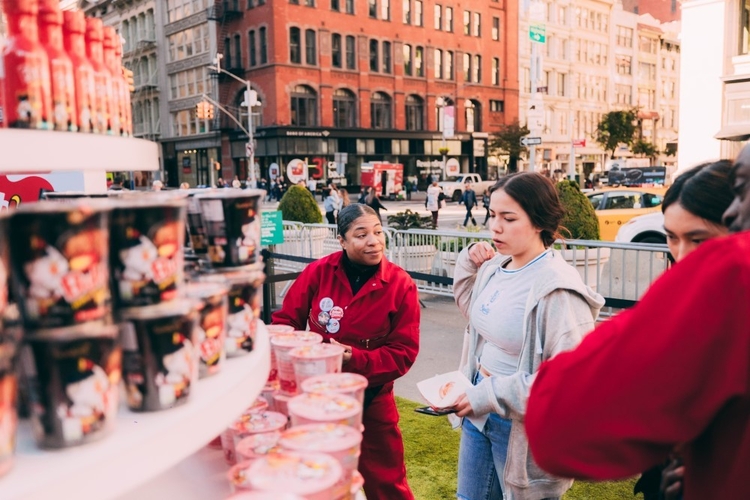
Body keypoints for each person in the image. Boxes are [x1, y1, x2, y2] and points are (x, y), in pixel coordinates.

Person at [524, 148, 750, 500]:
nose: (683, 254)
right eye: (672, 238)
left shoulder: (729, 282)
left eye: (700, 240)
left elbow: (561, 424)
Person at [450, 172, 605, 500]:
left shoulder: (557, 288)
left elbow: (569, 382)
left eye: (508, 218)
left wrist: (491, 394)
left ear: (539, 222)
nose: (495, 227)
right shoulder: (496, 265)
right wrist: (467, 264)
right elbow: (480, 319)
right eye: (492, 215)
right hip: (479, 410)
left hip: (521, 427)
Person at [272, 203, 420, 500]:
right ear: (341, 241)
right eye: (361, 234)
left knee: (387, 481)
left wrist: (357, 359)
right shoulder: (318, 272)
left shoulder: (400, 284)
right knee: (319, 474)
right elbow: (285, 322)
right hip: (316, 397)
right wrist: (303, 352)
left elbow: (403, 352)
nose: (374, 241)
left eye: (378, 232)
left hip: (373, 397)